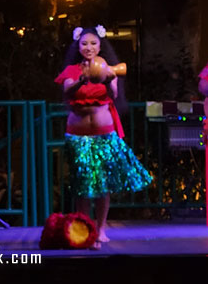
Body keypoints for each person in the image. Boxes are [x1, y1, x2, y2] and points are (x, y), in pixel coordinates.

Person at [55, 25, 152, 249]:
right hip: (78, 137)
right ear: (78, 46)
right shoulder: (72, 70)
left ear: (100, 46)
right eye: (84, 44)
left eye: (93, 43)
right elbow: (68, 90)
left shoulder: (108, 68)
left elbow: (114, 94)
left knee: (102, 184)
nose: (89, 47)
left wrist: (107, 78)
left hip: (104, 135)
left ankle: (101, 229)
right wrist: (83, 78)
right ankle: (83, 229)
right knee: (83, 185)